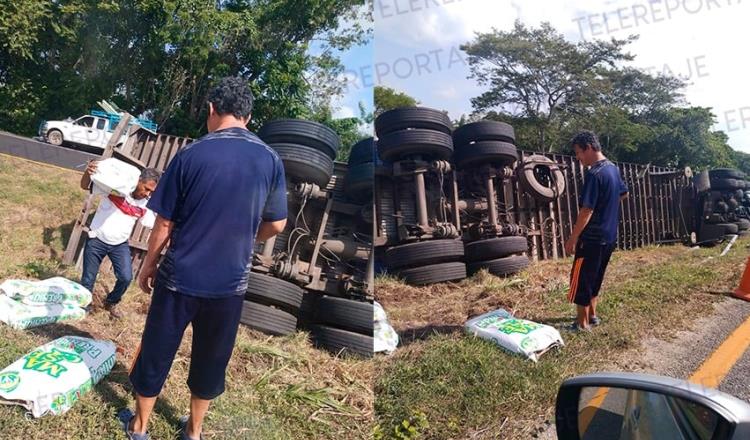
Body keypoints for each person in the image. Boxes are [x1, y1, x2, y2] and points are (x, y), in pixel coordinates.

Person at [118, 76, 288, 440]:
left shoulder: (191, 155)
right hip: (230, 284)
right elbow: (277, 223)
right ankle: (193, 432)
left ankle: (140, 427)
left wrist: (148, 264)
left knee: (157, 350)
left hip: (180, 278)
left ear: (212, 109)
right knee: (212, 359)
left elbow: (164, 222)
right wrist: (243, 237)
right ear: (249, 115)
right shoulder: (270, 160)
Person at [564, 130, 628, 332]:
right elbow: (623, 194)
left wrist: (573, 238)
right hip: (609, 237)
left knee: (581, 278)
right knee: (596, 276)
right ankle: (592, 315)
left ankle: (581, 324)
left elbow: (587, 210)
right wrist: (607, 206)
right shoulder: (613, 169)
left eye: (579, 153)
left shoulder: (594, 173)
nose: (578, 158)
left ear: (589, 148)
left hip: (591, 238)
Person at [80, 163, 159, 318]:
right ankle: (84, 305)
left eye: (151, 191)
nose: (147, 193)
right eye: (146, 188)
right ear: (138, 181)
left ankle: (111, 302)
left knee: (126, 277)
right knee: (88, 278)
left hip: (119, 244)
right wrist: (87, 173)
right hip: (97, 239)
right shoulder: (115, 188)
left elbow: (152, 225)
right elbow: (85, 186)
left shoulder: (146, 205)